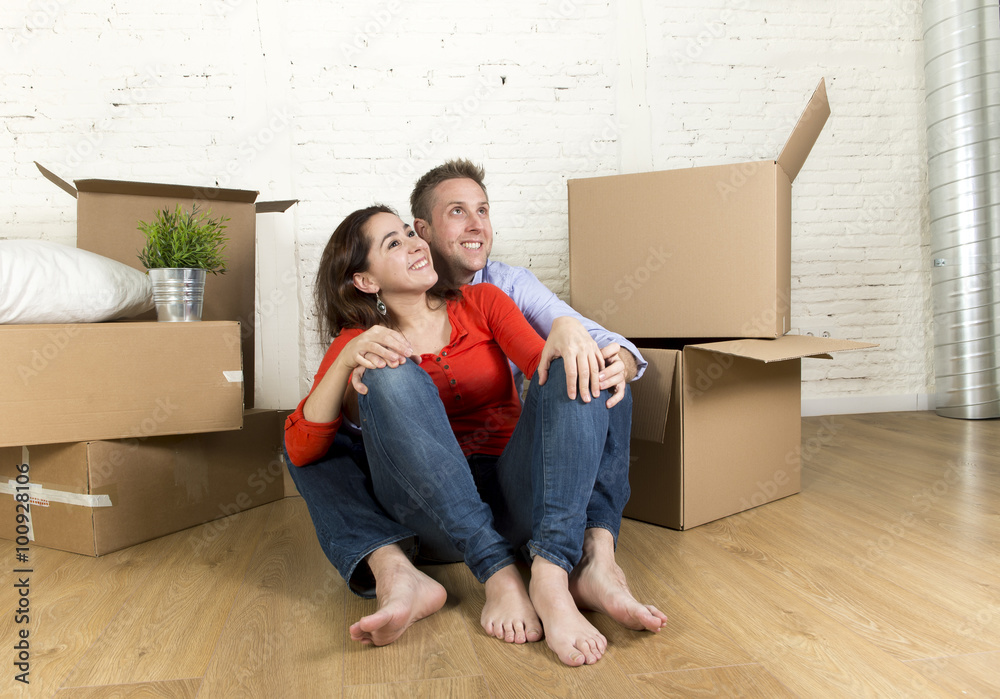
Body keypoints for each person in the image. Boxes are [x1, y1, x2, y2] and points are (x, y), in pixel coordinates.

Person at [284, 160, 665, 662]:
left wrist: (571, 335)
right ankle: (498, 573)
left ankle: (553, 574)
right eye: (392, 243)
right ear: (365, 281)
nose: (414, 244)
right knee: (385, 372)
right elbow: (301, 450)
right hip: (434, 519)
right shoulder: (361, 344)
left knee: (583, 366)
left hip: (517, 495)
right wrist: (347, 363)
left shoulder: (484, 300)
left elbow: (549, 377)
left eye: (407, 234)